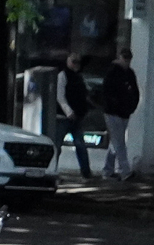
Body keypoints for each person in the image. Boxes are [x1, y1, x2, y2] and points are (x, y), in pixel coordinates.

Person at [99, 47, 141, 183]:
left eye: (129, 58)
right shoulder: (112, 73)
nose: (127, 61)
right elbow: (106, 92)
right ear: (120, 57)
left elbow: (135, 92)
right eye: (125, 58)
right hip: (113, 113)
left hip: (124, 113)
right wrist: (114, 105)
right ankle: (125, 171)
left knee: (115, 143)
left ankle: (108, 170)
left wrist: (131, 107)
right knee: (120, 143)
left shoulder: (129, 73)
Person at [60, 52, 94, 179]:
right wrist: (69, 112)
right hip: (64, 118)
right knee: (58, 145)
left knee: (81, 145)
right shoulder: (63, 76)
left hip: (77, 116)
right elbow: (60, 96)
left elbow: (83, 95)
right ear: (68, 62)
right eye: (73, 61)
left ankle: (86, 171)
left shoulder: (78, 77)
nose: (75, 64)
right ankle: (51, 168)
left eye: (77, 62)